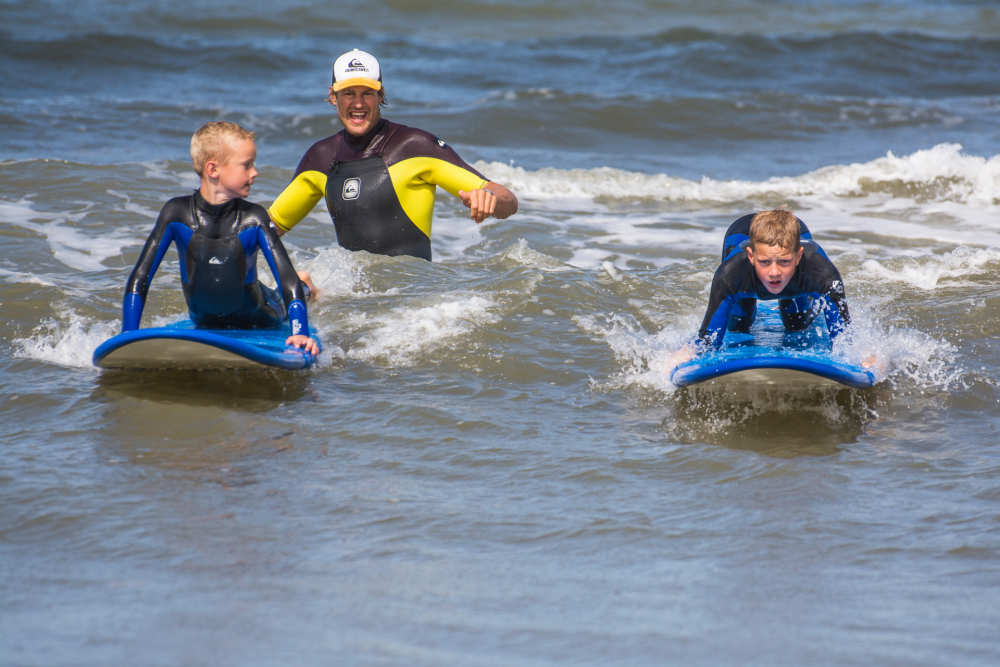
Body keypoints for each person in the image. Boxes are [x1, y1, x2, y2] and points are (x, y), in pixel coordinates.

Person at [267, 48, 518, 261]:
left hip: (411, 303)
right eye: (348, 93)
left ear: (381, 96)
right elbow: (269, 229)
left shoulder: (414, 146)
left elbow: (507, 200)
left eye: (367, 93)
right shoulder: (320, 158)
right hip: (352, 302)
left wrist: (489, 199)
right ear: (333, 97)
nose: (358, 103)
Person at [122, 121, 319, 355]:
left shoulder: (253, 218)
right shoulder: (176, 213)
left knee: (285, 294)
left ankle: (309, 286)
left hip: (259, 317)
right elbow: (141, 277)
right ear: (213, 170)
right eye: (246, 165)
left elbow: (287, 280)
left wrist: (301, 333)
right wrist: (128, 335)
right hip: (204, 319)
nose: (255, 172)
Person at [669, 210, 852, 368]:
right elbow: (708, 342)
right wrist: (687, 355)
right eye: (764, 262)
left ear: (798, 256)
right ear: (750, 256)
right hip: (739, 231)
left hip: (798, 234)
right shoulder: (731, 275)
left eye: (784, 262)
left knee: (797, 324)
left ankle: (809, 303)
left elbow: (845, 340)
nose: (774, 272)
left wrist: (865, 360)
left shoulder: (822, 274)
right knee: (739, 325)